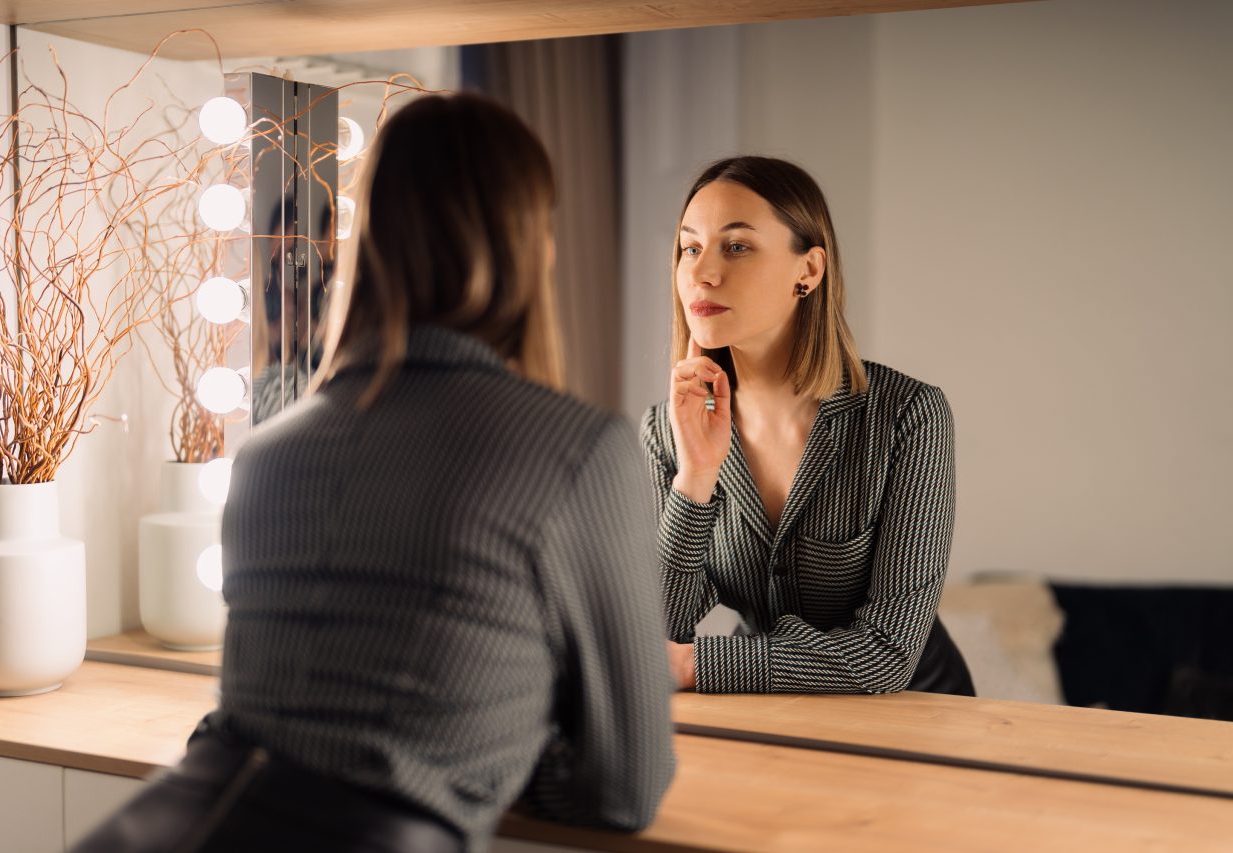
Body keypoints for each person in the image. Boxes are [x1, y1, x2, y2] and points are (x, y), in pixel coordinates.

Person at [76, 93, 675, 853]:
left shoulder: (268, 452)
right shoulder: (578, 448)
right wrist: (483, 753)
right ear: (529, 245)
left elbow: (250, 721)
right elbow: (624, 785)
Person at [641, 156, 974, 697]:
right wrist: (695, 478)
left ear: (809, 271)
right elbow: (654, 632)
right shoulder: (666, 430)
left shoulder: (908, 416)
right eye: (689, 247)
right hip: (772, 717)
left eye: (738, 245)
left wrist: (694, 666)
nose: (702, 272)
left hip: (918, 715)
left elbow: (887, 654)